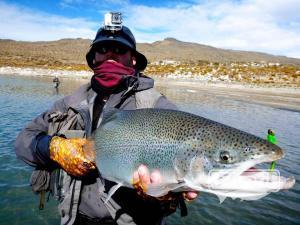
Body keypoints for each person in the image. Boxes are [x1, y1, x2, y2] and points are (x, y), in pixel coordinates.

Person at [15, 12, 197, 225]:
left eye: (120, 50)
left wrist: (169, 193)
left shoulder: (157, 107)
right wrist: (52, 148)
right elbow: (23, 141)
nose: (110, 54)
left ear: (134, 59)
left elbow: (188, 158)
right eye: (102, 49)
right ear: (93, 59)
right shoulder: (70, 103)